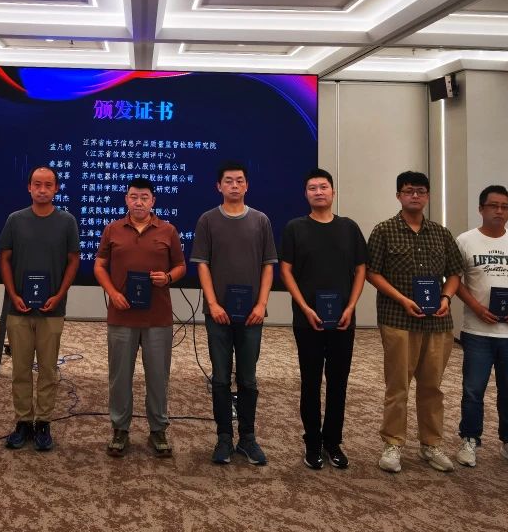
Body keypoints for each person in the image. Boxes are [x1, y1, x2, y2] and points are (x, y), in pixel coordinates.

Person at [365, 170, 464, 474]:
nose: (415, 196)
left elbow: (455, 273)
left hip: (437, 323)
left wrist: (446, 298)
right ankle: (393, 443)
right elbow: (372, 273)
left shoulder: (441, 233)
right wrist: (402, 299)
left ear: (428, 196)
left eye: (420, 191)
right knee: (398, 387)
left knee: (432, 387)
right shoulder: (384, 230)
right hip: (398, 319)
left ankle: (431, 444)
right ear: (399, 195)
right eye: (408, 191)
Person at [279, 168, 367, 470]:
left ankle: (333, 442)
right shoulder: (295, 228)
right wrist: (304, 307)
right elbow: (286, 271)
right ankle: (313, 443)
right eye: (312, 188)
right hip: (308, 320)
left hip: (343, 319)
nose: (319, 192)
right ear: (305, 194)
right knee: (311, 381)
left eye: (323, 187)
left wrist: (351, 306)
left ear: (333, 192)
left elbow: (361, 269)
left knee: (338, 382)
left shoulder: (349, 228)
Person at [190, 160, 277, 467]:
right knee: (220, 378)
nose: (235, 185)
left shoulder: (261, 220)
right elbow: (202, 265)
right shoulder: (207, 220)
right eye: (228, 181)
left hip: (252, 315)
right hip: (218, 314)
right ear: (219, 186)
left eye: (240, 180)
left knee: (248, 379)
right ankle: (224, 438)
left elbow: (268, 265)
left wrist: (261, 305)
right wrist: (213, 304)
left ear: (247, 185)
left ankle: (248, 438)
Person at [94, 177, 186, 458]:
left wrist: (167, 278)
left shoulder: (168, 230)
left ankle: (158, 429)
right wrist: (112, 293)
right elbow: (99, 265)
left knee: (158, 377)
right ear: (126, 199)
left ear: (153, 201)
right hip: (121, 315)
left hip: (157, 317)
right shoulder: (112, 229)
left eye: (144, 197)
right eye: (134, 197)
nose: (139, 202)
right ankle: (120, 428)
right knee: (119, 377)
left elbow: (181, 266)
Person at [453, 185, 508, 471]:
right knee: (473, 391)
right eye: (493, 206)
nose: (499, 211)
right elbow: (455, 281)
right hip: (477, 331)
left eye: (504, 206)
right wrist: (477, 307)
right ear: (481, 209)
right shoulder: (466, 240)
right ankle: (470, 439)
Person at [0, 166, 81, 452]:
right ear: (29, 188)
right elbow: (4, 258)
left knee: (48, 369)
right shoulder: (15, 220)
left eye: (48, 185)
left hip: (52, 309)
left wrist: (59, 295)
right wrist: (13, 294)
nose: (42, 189)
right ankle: (23, 421)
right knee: (20, 369)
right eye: (37, 184)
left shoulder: (67, 221)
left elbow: (74, 260)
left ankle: (43, 422)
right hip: (19, 308)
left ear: (56, 188)